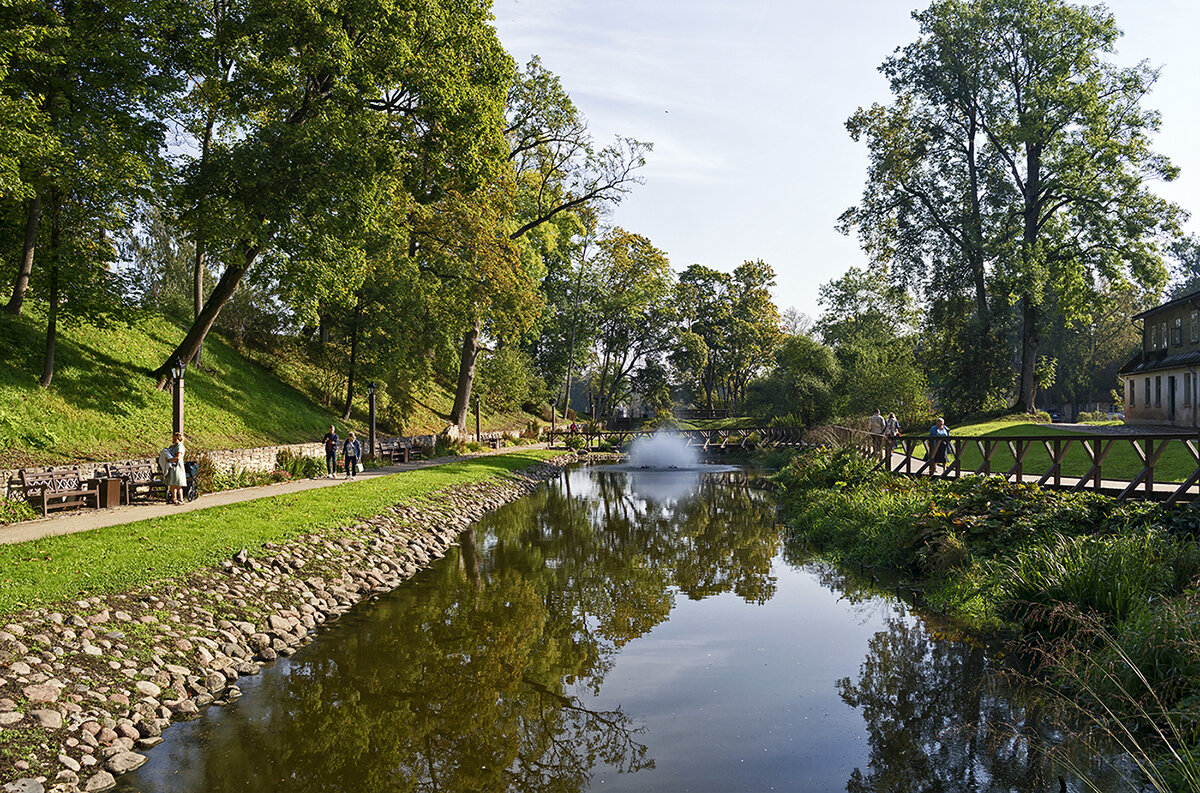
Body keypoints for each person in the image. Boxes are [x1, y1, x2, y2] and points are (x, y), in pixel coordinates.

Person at [163, 432, 187, 504]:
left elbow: (178, 457)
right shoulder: (172, 446)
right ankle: (174, 499)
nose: (173, 440)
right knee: (172, 484)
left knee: (178, 484)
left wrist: (170, 460)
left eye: (175, 438)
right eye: (173, 438)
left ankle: (181, 499)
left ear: (179, 439)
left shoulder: (180, 446)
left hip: (177, 467)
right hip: (171, 466)